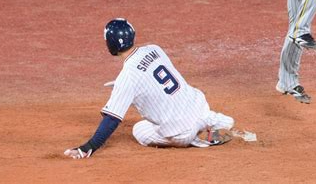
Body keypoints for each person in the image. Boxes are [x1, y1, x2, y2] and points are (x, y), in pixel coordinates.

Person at [64, 18, 234, 159]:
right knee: (202, 115)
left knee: (139, 130)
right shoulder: (155, 49)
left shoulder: (127, 77)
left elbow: (111, 119)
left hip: (182, 132)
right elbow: (153, 76)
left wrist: (89, 146)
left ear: (110, 44)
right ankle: (217, 122)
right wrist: (121, 86)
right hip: (199, 107)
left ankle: (198, 139)